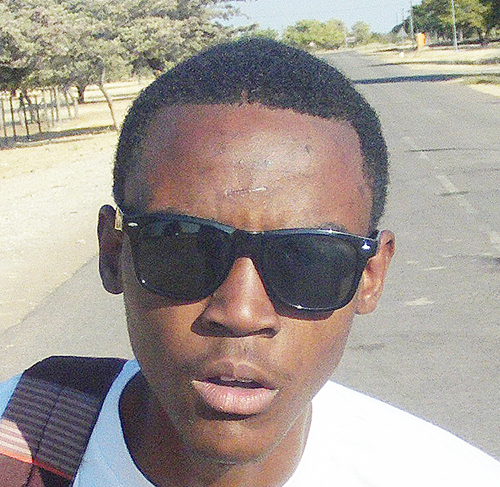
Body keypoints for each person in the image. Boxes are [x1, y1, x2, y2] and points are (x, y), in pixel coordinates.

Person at [0, 38, 499, 487]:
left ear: (370, 277)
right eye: (184, 245)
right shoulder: (20, 443)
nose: (240, 313)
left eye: (308, 260)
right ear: (114, 254)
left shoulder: (443, 475)